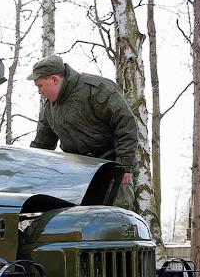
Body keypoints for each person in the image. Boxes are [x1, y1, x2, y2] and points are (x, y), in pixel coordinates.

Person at [28, 55, 138, 207]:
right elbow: (41, 146)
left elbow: (126, 124)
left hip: (113, 167)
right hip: (80, 174)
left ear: (54, 79)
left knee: (116, 220)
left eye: (40, 86)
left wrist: (125, 166)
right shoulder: (49, 110)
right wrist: (24, 172)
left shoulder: (97, 89)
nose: (39, 91)